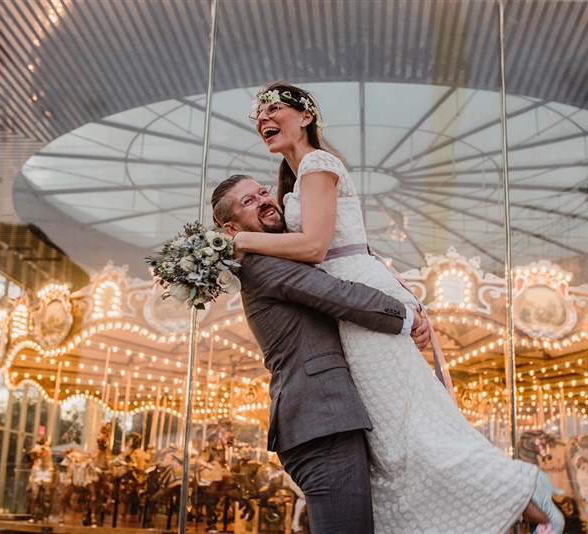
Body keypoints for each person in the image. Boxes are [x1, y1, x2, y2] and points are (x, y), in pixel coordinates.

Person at [222, 81, 565, 534]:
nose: (263, 118)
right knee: (389, 436)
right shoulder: (293, 184)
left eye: (274, 108)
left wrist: (235, 242)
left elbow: (316, 245)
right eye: (257, 114)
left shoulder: (318, 164)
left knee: (407, 426)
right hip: (348, 298)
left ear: (305, 117)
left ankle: (521, 485)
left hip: (355, 293)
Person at [212, 174, 428, 534]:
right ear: (231, 228)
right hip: (321, 418)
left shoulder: (275, 257)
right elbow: (337, 294)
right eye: (248, 201)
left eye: (263, 192)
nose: (264, 200)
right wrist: (407, 316)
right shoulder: (261, 264)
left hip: (327, 419)